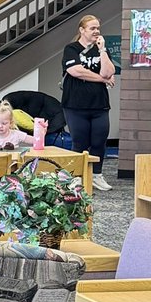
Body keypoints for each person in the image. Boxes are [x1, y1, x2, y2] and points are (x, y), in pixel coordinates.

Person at [61, 15, 115, 192]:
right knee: (79, 142)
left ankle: (96, 175)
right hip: (75, 104)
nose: (96, 31)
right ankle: (77, 176)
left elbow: (109, 71)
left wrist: (102, 51)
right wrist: (101, 79)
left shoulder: (101, 50)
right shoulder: (71, 48)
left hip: (99, 104)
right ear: (82, 30)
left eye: (98, 28)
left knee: (99, 141)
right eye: (92, 28)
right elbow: (76, 71)